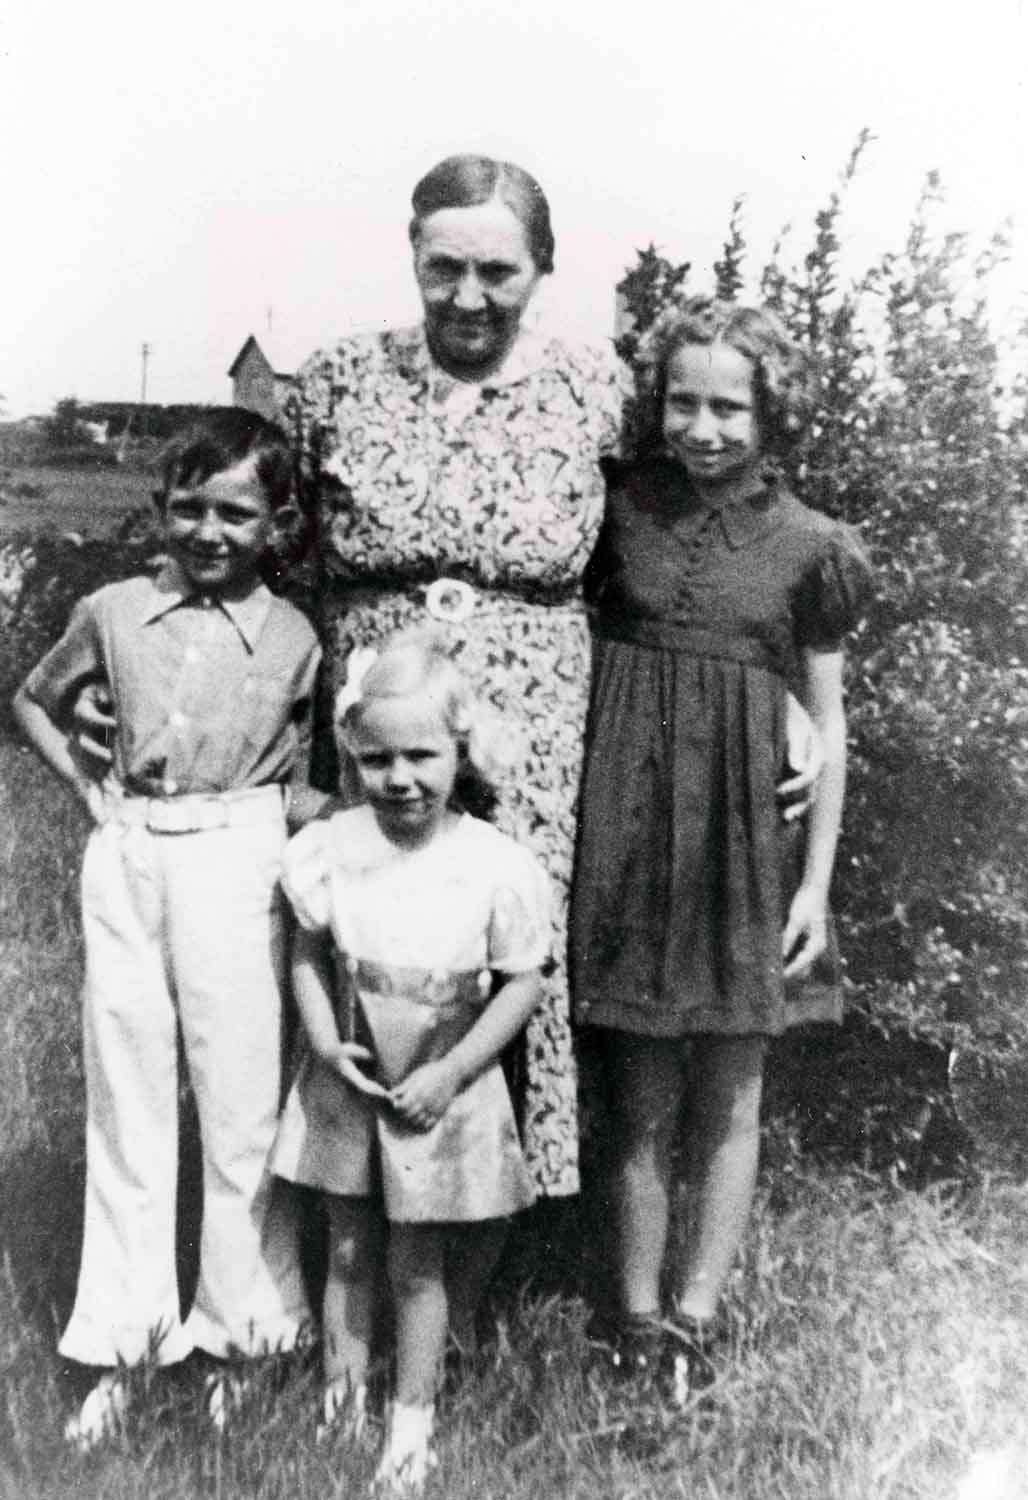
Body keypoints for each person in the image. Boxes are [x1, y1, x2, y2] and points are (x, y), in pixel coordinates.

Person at [570, 297, 873, 1395]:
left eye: (726, 407)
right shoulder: (619, 512)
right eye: (681, 402)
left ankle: (697, 1315)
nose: (701, 427)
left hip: (746, 841)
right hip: (635, 827)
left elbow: (827, 720)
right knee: (641, 1088)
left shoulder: (810, 546)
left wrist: (816, 887)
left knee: (731, 1089)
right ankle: (634, 1317)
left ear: (769, 413)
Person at [12, 409, 319, 1447]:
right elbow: (35, 701)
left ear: (278, 521)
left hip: (242, 857)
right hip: (131, 850)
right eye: (187, 508)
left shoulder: (294, 635)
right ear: (159, 510)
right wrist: (90, 795)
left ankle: (244, 1337)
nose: (208, 531)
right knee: (129, 1098)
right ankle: (124, 1346)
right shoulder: (112, 608)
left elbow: (314, 775)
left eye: (235, 513)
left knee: (239, 1111)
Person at [269, 632, 550, 1493]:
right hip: (356, 1064)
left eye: (423, 756)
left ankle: (412, 1421)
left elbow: (521, 983)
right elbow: (309, 951)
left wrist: (454, 1072)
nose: (402, 779)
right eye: (379, 759)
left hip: (439, 1068)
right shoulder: (332, 847)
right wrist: (321, 1036)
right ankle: (339, 1403)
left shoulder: (493, 863)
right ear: (352, 756)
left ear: (459, 751)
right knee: (349, 1246)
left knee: (417, 1256)